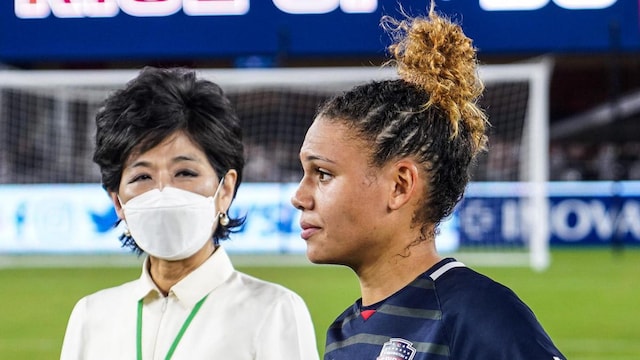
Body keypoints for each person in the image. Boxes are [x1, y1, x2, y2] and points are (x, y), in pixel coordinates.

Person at [290, 4, 566, 360]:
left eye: (323, 174)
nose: (299, 196)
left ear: (400, 185)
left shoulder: (477, 316)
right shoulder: (345, 334)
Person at [60, 67, 319, 359]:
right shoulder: (90, 316)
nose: (163, 192)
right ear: (118, 202)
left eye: (184, 172)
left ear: (225, 189)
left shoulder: (274, 311)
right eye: (142, 177)